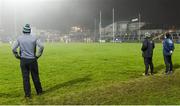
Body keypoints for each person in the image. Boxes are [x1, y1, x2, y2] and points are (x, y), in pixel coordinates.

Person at [12, 24, 44, 98]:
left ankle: (27, 94)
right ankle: (39, 91)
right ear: (30, 31)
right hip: (32, 60)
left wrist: (17, 56)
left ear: (23, 31)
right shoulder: (34, 38)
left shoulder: (19, 38)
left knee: (25, 78)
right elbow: (42, 46)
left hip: (23, 60)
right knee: (35, 76)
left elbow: (13, 48)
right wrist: (38, 55)